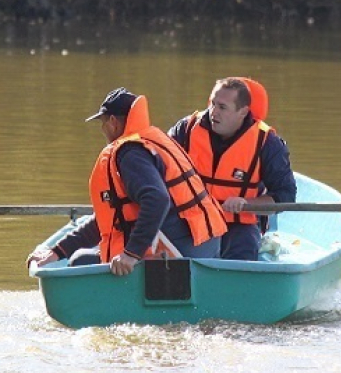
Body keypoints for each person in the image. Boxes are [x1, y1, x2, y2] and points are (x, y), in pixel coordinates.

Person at [27, 87, 227, 276]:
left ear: (113, 121)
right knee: (81, 256)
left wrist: (131, 254)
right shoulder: (153, 139)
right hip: (205, 248)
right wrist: (58, 251)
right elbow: (110, 219)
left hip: (177, 255)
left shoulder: (130, 153)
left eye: (102, 123)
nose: (102, 129)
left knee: (80, 262)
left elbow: (157, 199)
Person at [168, 77, 296, 261]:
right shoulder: (185, 130)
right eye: (212, 104)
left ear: (243, 112)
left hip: (237, 224)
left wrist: (246, 204)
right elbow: (156, 169)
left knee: (240, 256)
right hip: (191, 219)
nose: (213, 112)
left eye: (222, 107)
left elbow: (285, 196)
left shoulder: (267, 143)